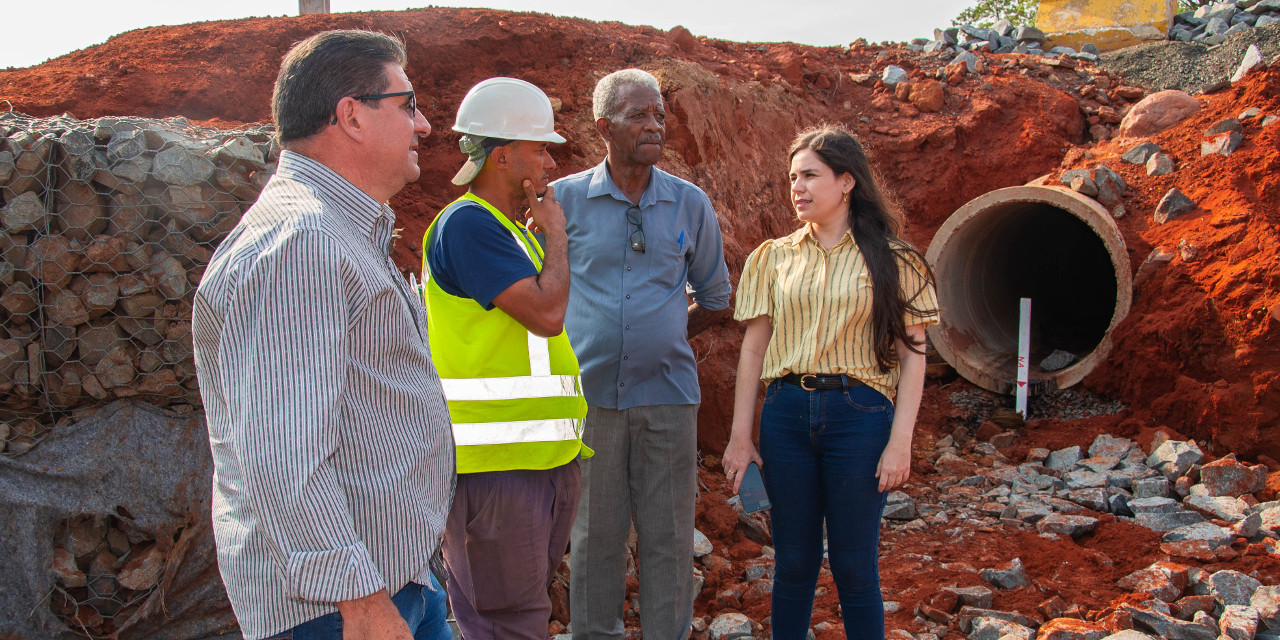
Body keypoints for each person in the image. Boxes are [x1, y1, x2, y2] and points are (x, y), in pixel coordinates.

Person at [191, 30, 454, 640]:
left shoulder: (335, 230)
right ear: (351, 115)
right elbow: (284, 454)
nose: (426, 125)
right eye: (408, 104)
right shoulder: (302, 244)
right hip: (336, 611)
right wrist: (360, 602)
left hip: (393, 581)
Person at [721, 124, 939, 640]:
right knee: (793, 563)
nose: (797, 187)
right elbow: (754, 347)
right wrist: (739, 435)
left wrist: (900, 442)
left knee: (853, 565)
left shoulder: (896, 259)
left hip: (860, 419)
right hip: (785, 415)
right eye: (792, 177)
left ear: (846, 182)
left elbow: (914, 354)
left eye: (810, 175)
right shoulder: (772, 257)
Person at [552, 68, 732, 640]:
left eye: (659, 114)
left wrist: (668, 334)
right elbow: (538, 294)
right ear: (604, 127)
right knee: (595, 536)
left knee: (669, 537)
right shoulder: (564, 202)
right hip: (591, 401)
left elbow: (717, 297)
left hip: (669, 400)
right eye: (639, 115)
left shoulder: (689, 203)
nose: (654, 125)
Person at [421, 77, 589, 640]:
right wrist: (559, 237)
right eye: (539, 149)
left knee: (518, 616)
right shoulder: (468, 225)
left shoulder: (507, 232)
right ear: (501, 156)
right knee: (506, 625)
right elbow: (546, 315)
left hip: (535, 463)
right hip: (496, 472)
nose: (548, 161)